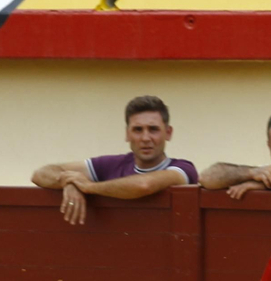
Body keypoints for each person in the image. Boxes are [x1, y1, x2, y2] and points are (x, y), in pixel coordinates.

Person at [30, 96, 198, 227]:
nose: (145, 138)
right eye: (138, 130)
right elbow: (40, 174)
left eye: (153, 129)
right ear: (127, 134)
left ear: (168, 133)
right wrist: (69, 182)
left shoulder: (183, 169)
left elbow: (144, 185)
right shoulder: (112, 164)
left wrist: (88, 187)